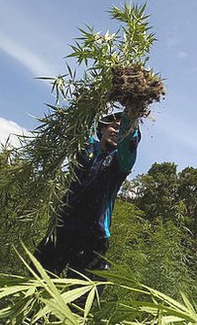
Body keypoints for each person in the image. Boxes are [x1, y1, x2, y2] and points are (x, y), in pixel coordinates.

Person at [35, 112, 141, 277]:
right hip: (63, 228)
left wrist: (132, 110)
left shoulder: (121, 161)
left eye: (122, 130)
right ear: (102, 129)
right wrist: (93, 102)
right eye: (114, 126)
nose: (117, 132)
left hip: (94, 237)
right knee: (36, 281)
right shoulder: (87, 149)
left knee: (78, 298)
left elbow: (128, 141)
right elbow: (81, 126)